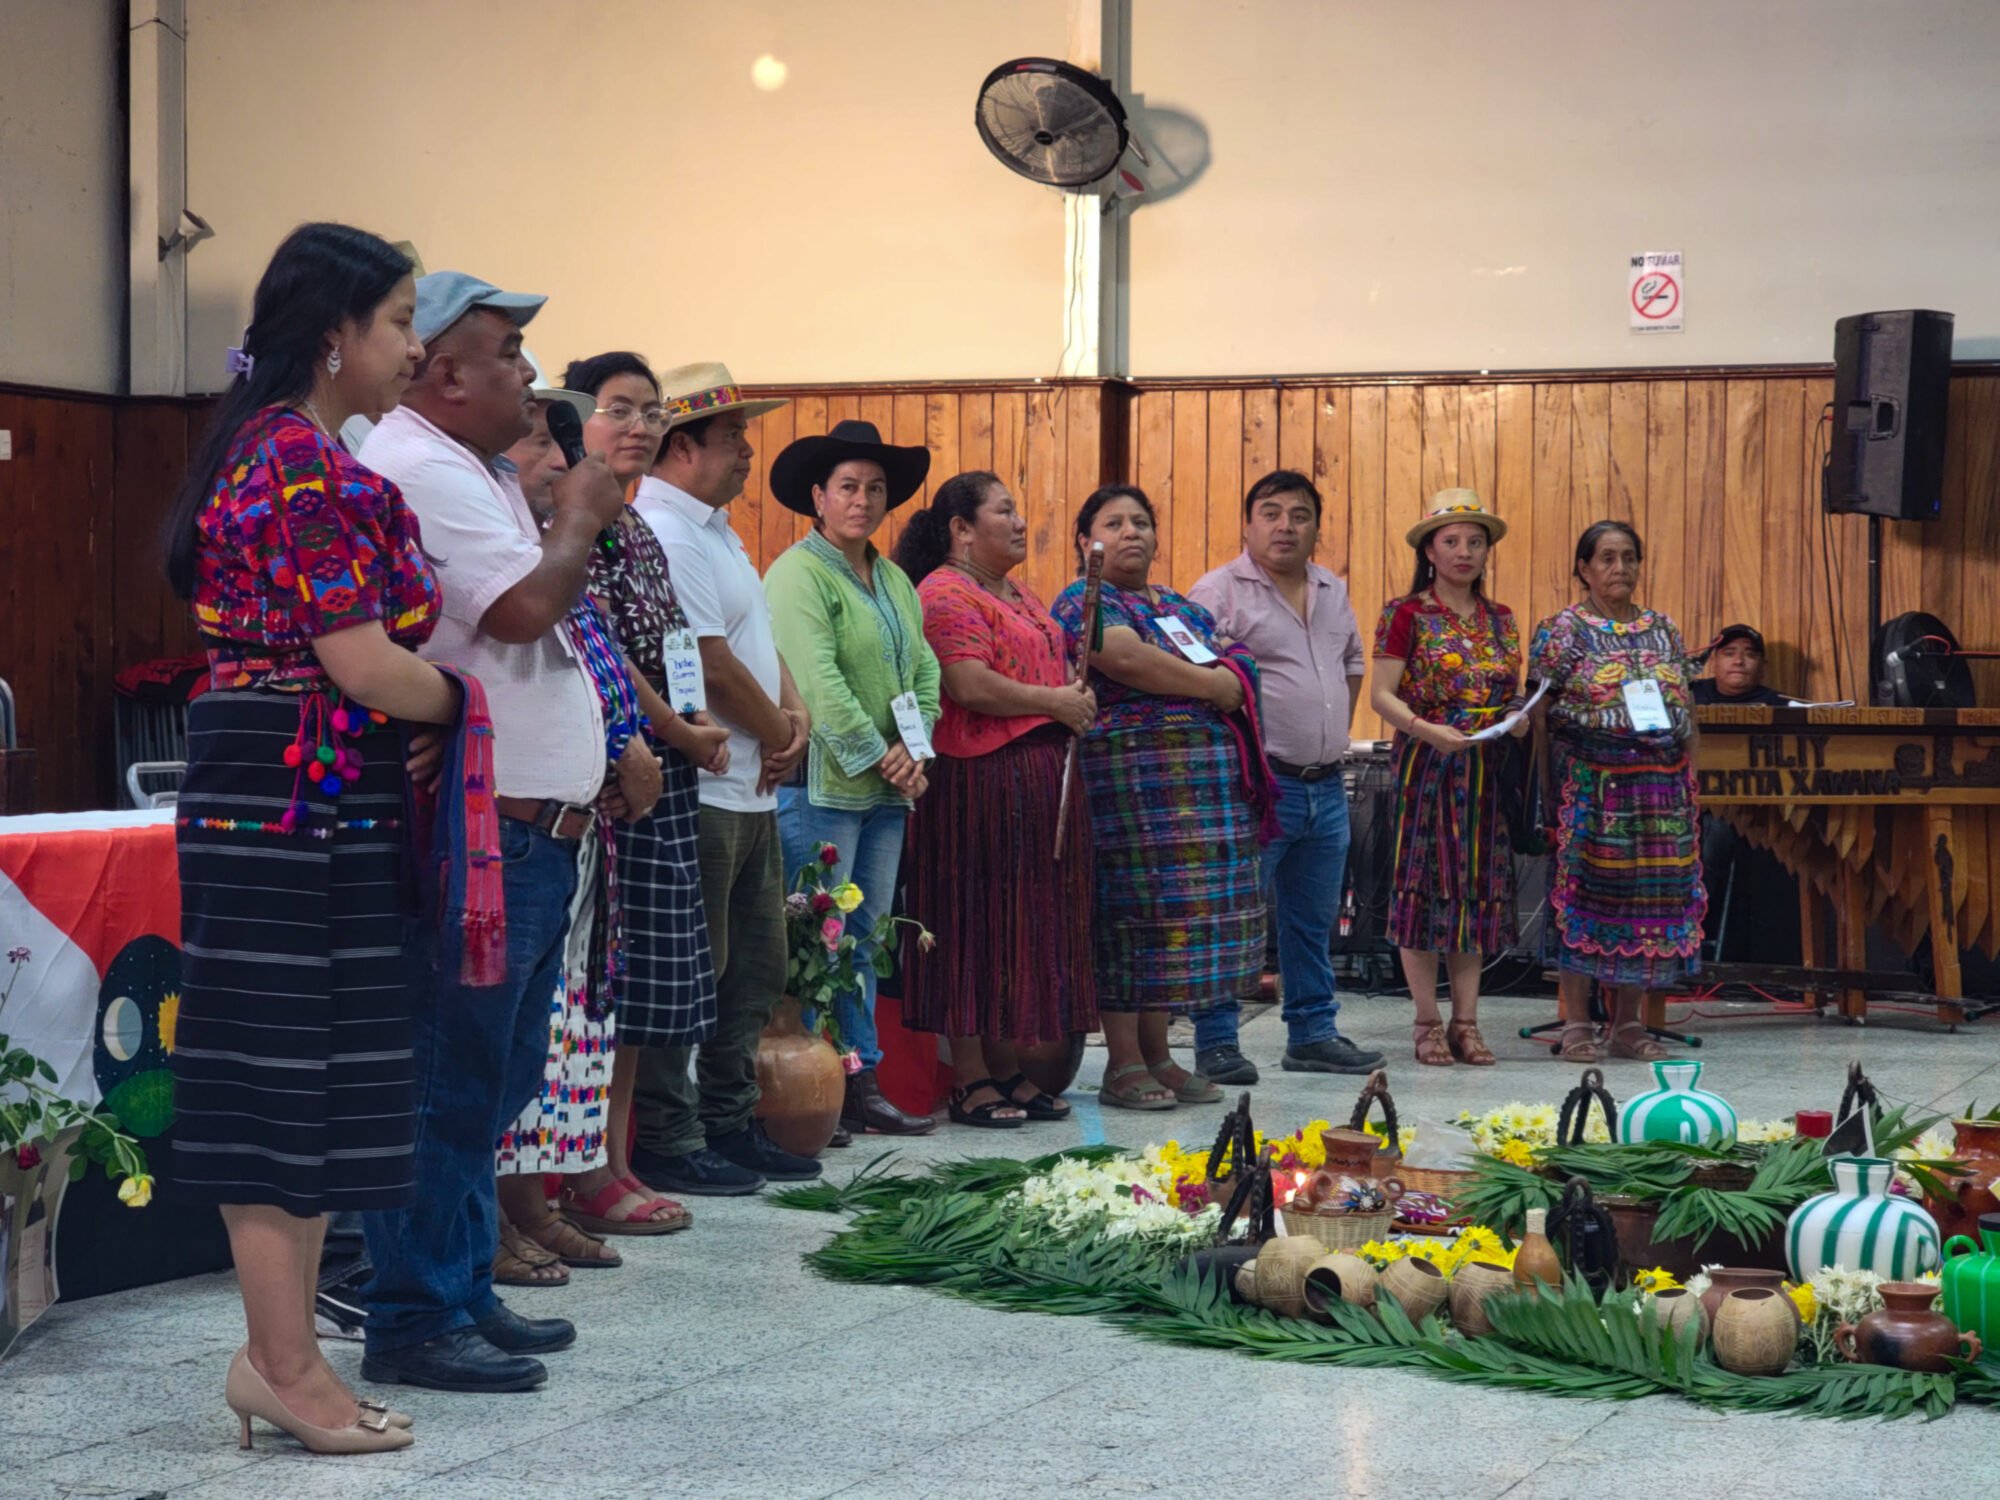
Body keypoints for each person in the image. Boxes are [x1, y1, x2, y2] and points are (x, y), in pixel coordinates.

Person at [163, 223, 450, 1454]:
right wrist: (458, 704)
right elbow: (360, 661)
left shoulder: (291, 450)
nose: (412, 347)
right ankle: (285, 1362)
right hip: (287, 793)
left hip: (306, 787)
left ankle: (278, 1358)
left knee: (327, 1082)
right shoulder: (295, 465)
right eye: (396, 322)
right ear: (334, 335)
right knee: (284, 1085)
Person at [358, 272, 639, 1393]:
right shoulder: (419, 465)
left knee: (498, 1075)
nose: (529, 375)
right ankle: (415, 1315)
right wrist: (577, 510)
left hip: (535, 823)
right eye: (509, 350)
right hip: (487, 821)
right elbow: (522, 610)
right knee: (448, 1081)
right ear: (441, 370)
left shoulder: (464, 467)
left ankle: (464, 1286)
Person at [629, 363, 820, 1194]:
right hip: (705, 782)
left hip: (754, 781)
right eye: (733, 437)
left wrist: (796, 714)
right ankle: (670, 1137)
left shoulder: (715, 527)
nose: (748, 453)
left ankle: (730, 1120)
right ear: (680, 448)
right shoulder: (664, 528)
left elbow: (753, 636)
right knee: (694, 967)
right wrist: (780, 731)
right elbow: (703, 664)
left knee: (757, 964)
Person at [1052, 485, 1274, 1111]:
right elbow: (1122, 656)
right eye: (1114, 523)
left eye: (1141, 523)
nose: (1131, 534)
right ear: (1084, 539)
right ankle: (1121, 1063)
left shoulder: (1178, 605)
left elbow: (1239, 660)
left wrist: (1222, 679)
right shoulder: (1083, 600)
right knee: (1130, 918)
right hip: (1128, 788)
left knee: (1170, 926)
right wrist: (1211, 686)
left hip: (1197, 795)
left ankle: (1158, 1056)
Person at [893, 472, 1099, 1126]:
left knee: (1019, 930)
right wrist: (1056, 702)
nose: (1019, 521)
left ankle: (1009, 1067)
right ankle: (972, 1073)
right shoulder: (944, 592)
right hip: (976, 783)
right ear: (961, 529)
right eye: (1004, 510)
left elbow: (1045, 667)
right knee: (974, 926)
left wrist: (1073, 693)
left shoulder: (1016, 592)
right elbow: (967, 682)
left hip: (1032, 780)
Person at [764, 420, 942, 1136]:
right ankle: (812, 1078)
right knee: (818, 939)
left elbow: (923, 670)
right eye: (847, 487)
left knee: (864, 934)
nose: (861, 500)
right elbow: (818, 681)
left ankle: (859, 1078)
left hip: (887, 788)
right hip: (823, 785)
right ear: (818, 496)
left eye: (873, 489)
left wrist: (914, 748)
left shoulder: (894, 576)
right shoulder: (796, 574)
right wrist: (884, 754)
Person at [1190, 470, 1386, 1080]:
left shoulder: (1332, 588)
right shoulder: (1219, 591)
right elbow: (1195, 677)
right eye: (1270, 513)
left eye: (1299, 515)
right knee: (1234, 914)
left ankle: (1312, 1034)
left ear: (1316, 528)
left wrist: (1328, 733)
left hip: (1327, 783)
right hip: (1258, 786)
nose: (1285, 526)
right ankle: (1217, 1041)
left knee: (1312, 920)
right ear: (1248, 525)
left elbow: (1352, 663)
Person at [1531, 520, 1706, 1064]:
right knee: (1587, 900)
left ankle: (1629, 1024)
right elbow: (1538, 714)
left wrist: (1692, 784)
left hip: (1660, 790)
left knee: (1647, 907)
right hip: (1591, 785)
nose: (1620, 568)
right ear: (1583, 569)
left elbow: (1687, 710)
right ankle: (1578, 1022)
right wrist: (1543, 794)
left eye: (1629, 557)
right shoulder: (1563, 630)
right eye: (1606, 558)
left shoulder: (1663, 629)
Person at [1367, 489, 1528, 1067]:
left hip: (1485, 771)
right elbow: (1380, 695)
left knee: (1476, 894)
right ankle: (1425, 1022)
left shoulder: (1503, 620)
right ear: (1429, 550)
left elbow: (1512, 693)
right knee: (1423, 892)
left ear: (1487, 552)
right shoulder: (1406, 612)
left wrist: (1517, 717)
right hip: (1427, 765)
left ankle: (1466, 1021)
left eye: (1475, 542)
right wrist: (1426, 730)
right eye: (1452, 541)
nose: (1465, 551)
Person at [1692, 624, 1787, 706]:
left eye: (1750, 655)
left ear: (1762, 667)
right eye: (1729, 654)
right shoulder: (1685, 695)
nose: (1738, 661)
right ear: (1713, 663)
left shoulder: (1784, 706)